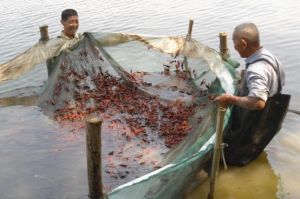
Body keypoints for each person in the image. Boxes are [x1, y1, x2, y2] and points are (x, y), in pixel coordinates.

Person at [215, 22, 289, 166]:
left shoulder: (256, 69)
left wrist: (230, 98)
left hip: (255, 119)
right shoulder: (269, 57)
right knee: (254, 145)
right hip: (270, 118)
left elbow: (258, 102)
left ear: (243, 43)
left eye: (234, 43)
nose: (234, 47)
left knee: (231, 158)